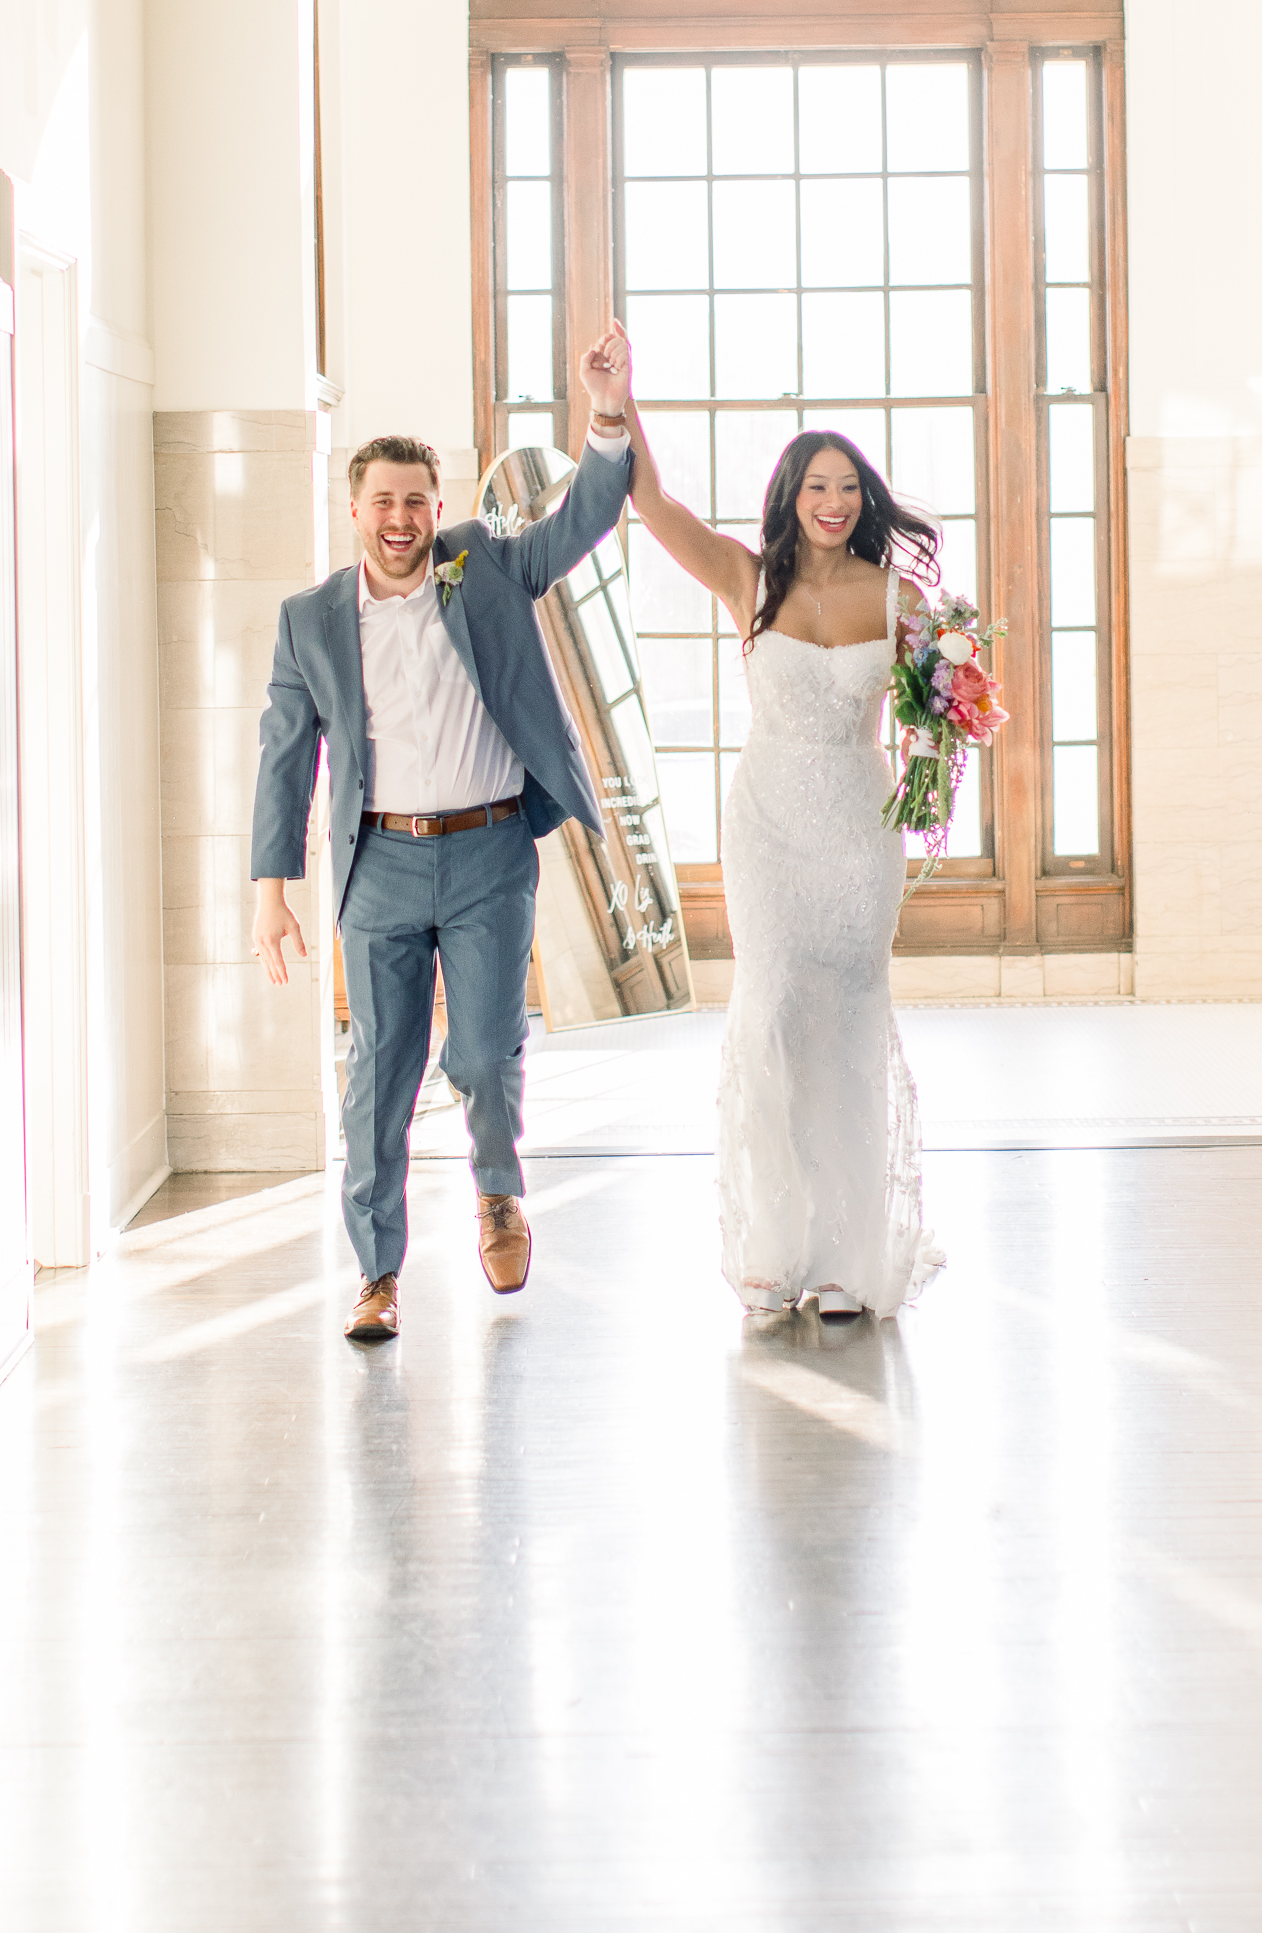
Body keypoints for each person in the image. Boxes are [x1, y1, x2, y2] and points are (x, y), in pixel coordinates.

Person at [249, 332, 634, 1342]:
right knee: (378, 1070)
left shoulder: (484, 568)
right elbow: (285, 757)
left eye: (417, 500)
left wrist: (603, 413)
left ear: (437, 506)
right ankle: (377, 1274)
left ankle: (497, 1192)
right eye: (382, 500)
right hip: (375, 863)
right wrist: (269, 886)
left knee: (480, 1050)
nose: (401, 519)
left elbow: (584, 518)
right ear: (353, 510)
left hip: (487, 853)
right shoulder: (310, 622)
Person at [623, 357, 947, 1319]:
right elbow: (650, 498)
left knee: (845, 1021)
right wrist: (621, 402)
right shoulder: (744, 576)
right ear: (790, 495)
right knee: (767, 1013)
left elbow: (944, 712)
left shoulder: (899, 601)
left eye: (849, 487)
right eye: (818, 485)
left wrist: (944, 727)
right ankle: (773, 1243)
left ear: (865, 500)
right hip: (766, 824)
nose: (835, 502)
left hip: (856, 827)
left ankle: (848, 1253)